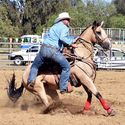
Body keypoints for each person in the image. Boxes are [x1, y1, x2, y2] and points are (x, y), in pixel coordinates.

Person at [28, 12, 78, 94]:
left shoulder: (53, 27)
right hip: (53, 51)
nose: (69, 21)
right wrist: (72, 42)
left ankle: (31, 81)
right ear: (64, 20)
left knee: (35, 66)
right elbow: (63, 38)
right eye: (68, 20)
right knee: (66, 67)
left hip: (43, 49)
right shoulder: (64, 27)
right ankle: (63, 87)